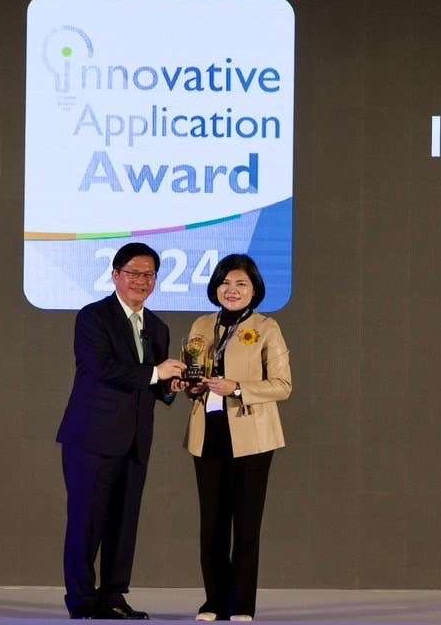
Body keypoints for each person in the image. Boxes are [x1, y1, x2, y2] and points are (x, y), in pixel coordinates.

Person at [57, 242, 186, 619]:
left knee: (124, 522)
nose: (141, 281)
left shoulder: (157, 327)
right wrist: (156, 372)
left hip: (135, 440)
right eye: (133, 273)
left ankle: (113, 595)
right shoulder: (93, 317)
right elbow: (99, 369)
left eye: (149, 275)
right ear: (115, 275)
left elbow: (152, 385)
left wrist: (171, 386)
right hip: (92, 438)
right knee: (87, 521)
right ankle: (82, 600)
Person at [181, 254, 291, 621]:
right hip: (208, 432)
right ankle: (214, 601)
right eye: (225, 283)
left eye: (241, 284)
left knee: (246, 522)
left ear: (255, 289)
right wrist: (189, 386)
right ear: (215, 287)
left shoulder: (266, 327)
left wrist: (238, 388)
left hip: (252, 435)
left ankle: (242, 603)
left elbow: (282, 385)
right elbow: (193, 371)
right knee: (211, 524)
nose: (232, 290)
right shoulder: (201, 324)